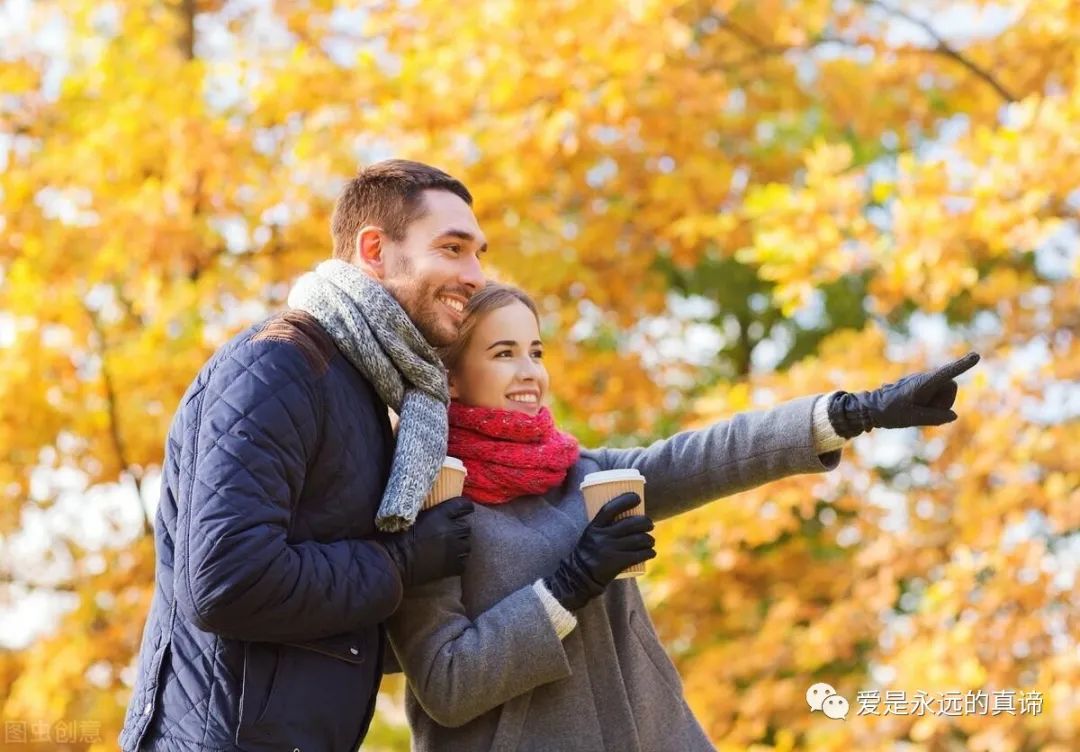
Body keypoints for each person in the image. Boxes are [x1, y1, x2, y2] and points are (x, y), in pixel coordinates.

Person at [386, 283, 979, 751]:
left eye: (536, 351)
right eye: (503, 352)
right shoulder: (432, 497)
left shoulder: (583, 473)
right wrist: (567, 588)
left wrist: (855, 412)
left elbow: (707, 456)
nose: (529, 372)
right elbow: (447, 683)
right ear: (452, 377)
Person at [120, 160, 487, 752]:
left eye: (478, 254)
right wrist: (400, 563)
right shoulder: (281, 366)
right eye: (452, 248)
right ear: (374, 249)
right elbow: (225, 580)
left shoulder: (370, 389)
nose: (475, 276)